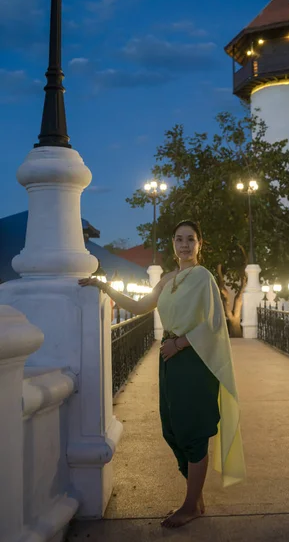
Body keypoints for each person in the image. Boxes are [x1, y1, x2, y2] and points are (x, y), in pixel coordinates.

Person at [79, 220, 245, 528]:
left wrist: (179, 343)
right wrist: (104, 286)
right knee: (173, 428)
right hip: (170, 360)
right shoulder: (168, 279)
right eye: (179, 239)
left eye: (190, 239)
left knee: (194, 429)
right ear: (173, 244)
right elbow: (141, 305)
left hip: (195, 360)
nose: (184, 244)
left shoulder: (203, 277)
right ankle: (195, 499)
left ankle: (190, 504)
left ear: (199, 244)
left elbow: (213, 322)